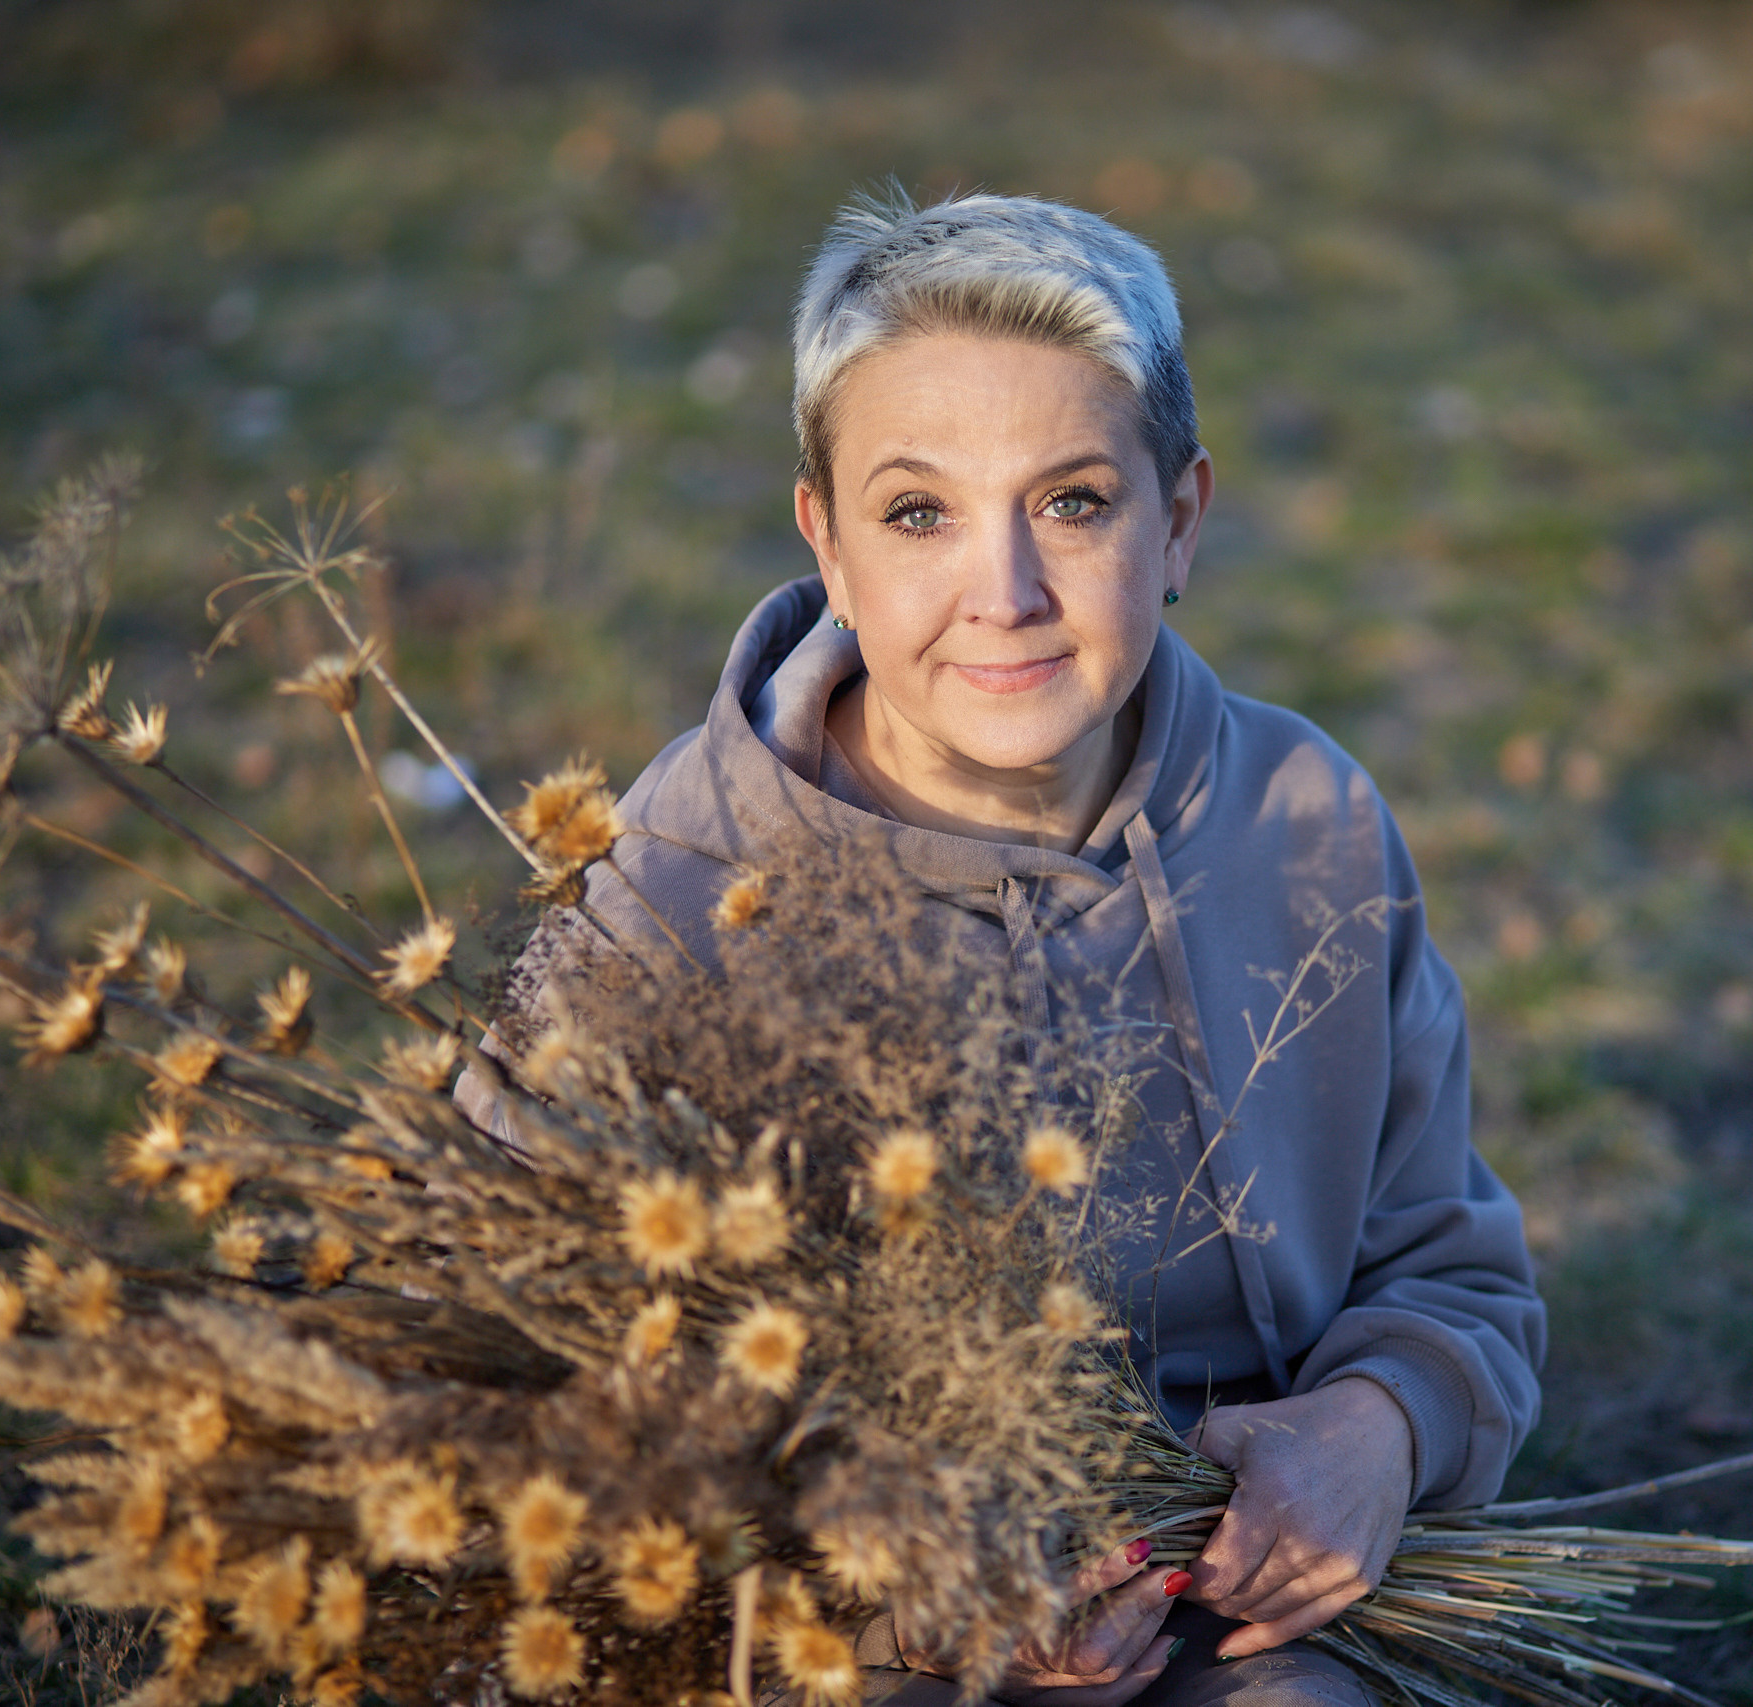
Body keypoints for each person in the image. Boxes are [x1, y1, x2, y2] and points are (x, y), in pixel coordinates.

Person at [463, 190, 1546, 1706]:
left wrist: (1383, 1425)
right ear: (827, 544)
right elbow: (515, 1382)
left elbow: (1448, 1269)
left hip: (1245, 1610)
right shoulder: (672, 902)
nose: (1009, 594)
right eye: (920, 514)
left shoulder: (1311, 825)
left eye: (1076, 502)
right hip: (827, 1635)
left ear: (1178, 521)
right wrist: (895, 1594)